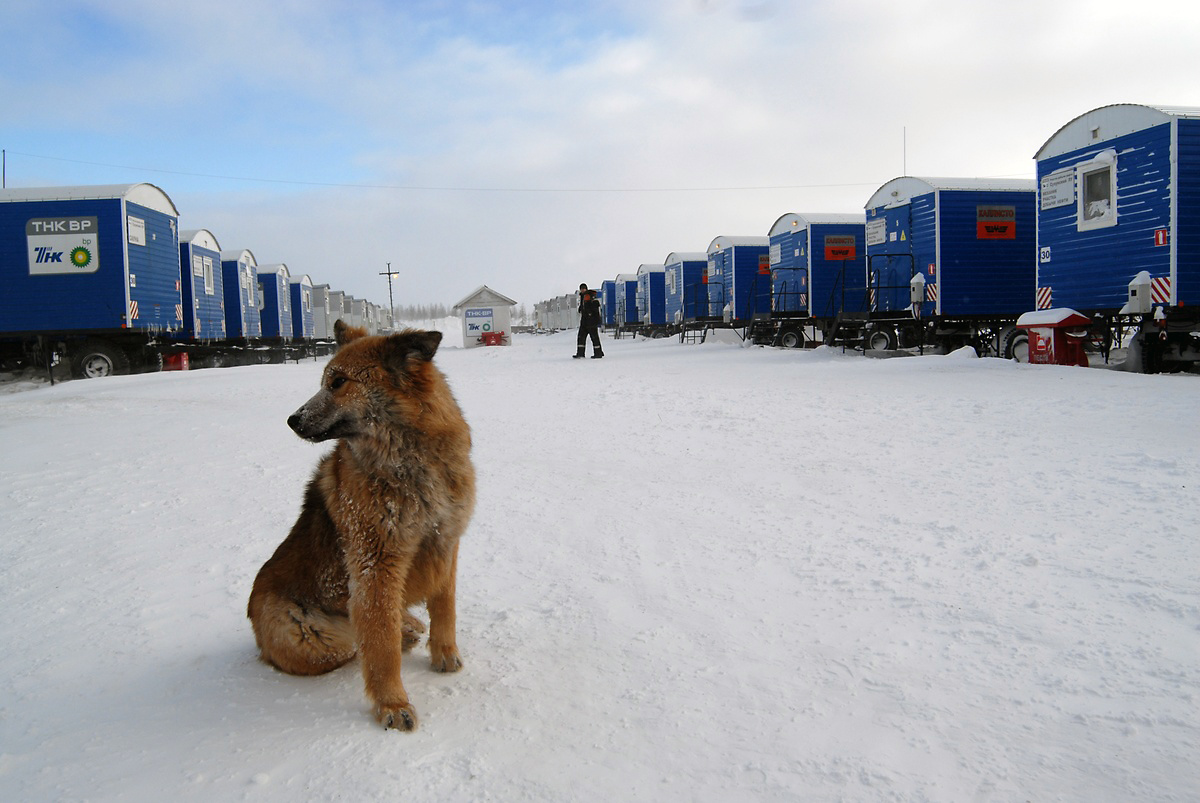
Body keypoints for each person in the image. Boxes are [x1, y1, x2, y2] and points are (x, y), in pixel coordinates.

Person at [574, 283, 603, 359]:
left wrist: (590, 313)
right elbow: (584, 307)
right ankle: (580, 353)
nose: (583, 290)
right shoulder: (582, 297)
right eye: (581, 288)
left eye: (584, 288)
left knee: (594, 337)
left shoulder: (589, 296)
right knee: (581, 337)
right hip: (584, 321)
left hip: (591, 321)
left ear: (586, 289)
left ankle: (598, 353)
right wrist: (581, 308)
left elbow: (595, 306)